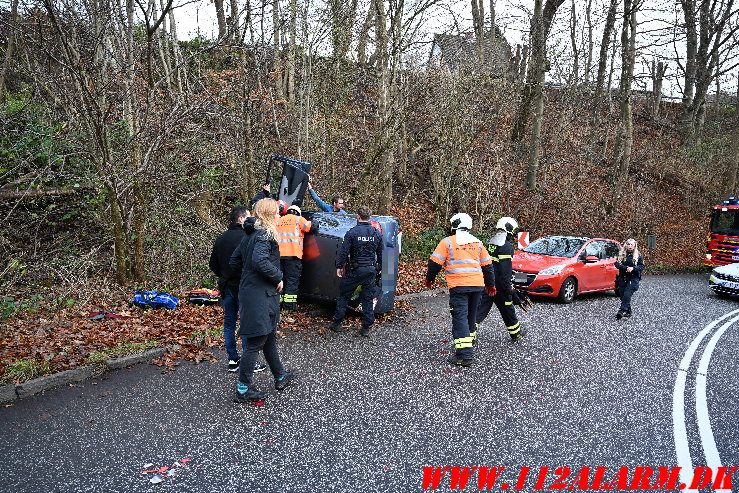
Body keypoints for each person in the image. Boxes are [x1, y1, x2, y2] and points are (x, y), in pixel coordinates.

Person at [229, 198, 297, 402]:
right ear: (269, 215)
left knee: (268, 337)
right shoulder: (265, 235)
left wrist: (251, 278)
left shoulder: (250, 235)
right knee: (255, 342)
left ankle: (280, 376)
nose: (279, 216)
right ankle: (243, 389)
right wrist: (278, 277)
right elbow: (259, 261)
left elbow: (234, 261)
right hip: (259, 297)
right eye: (277, 213)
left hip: (257, 294)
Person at [425, 213, 495, 367]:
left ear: (454, 225)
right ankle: (466, 345)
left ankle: (464, 355)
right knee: (470, 317)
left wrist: (429, 279)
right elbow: (488, 267)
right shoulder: (478, 243)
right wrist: (491, 285)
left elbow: (434, 264)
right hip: (477, 286)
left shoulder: (448, 242)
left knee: (460, 317)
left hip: (459, 286)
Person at [208, 206, 267, 373]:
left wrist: (224, 275)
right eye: (248, 217)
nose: (251, 221)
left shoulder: (220, 239)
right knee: (247, 324)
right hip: (244, 287)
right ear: (241, 219)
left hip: (226, 287)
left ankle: (233, 360)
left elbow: (213, 264)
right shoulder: (247, 237)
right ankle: (250, 363)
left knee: (229, 324)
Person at [329, 206, 383, 336]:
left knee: (344, 295)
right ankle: (366, 327)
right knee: (367, 298)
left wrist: (339, 267)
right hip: (370, 270)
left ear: (358, 217)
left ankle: (337, 323)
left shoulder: (352, 232)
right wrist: (378, 268)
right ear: (369, 217)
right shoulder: (377, 234)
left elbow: (343, 252)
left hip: (355, 269)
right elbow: (381, 254)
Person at [476, 217, 528, 341]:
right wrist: (509, 288)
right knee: (507, 308)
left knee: (480, 310)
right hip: (500, 286)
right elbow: (505, 271)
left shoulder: (491, 243)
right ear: (508, 229)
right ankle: (516, 333)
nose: (513, 234)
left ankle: (469, 334)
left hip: (488, 283)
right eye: (512, 231)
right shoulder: (507, 246)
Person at [277, 204, 318, 311]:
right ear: (298, 212)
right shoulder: (298, 219)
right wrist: (314, 220)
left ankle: (278, 305)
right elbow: (312, 227)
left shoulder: (279, 220)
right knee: (291, 281)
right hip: (293, 256)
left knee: (279, 280)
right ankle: (288, 308)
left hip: (278, 256)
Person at [615, 238, 644, 319]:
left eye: (632, 244)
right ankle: (628, 311)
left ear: (634, 246)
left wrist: (633, 268)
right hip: (622, 278)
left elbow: (641, 266)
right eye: (628, 244)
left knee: (627, 294)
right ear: (626, 245)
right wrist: (624, 267)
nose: (630, 246)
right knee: (622, 296)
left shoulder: (638, 255)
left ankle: (621, 310)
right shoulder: (622, 254)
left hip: (633, 278)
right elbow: (616, 264)